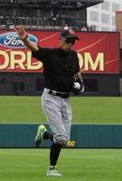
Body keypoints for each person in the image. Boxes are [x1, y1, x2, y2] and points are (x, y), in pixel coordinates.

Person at [15, 26, 83, 177]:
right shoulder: (51, 54)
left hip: (66, 99)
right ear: (62, 40)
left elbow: (77, 72)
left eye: (73, 41)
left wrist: (81, 82)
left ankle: (44, 134)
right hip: (51, 98)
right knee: (61, 137)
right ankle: (51, 169)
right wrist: (25, 39)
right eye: (69, 41)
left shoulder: (74, 55)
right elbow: (35, 48)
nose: (71, 44)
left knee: (64, 140)